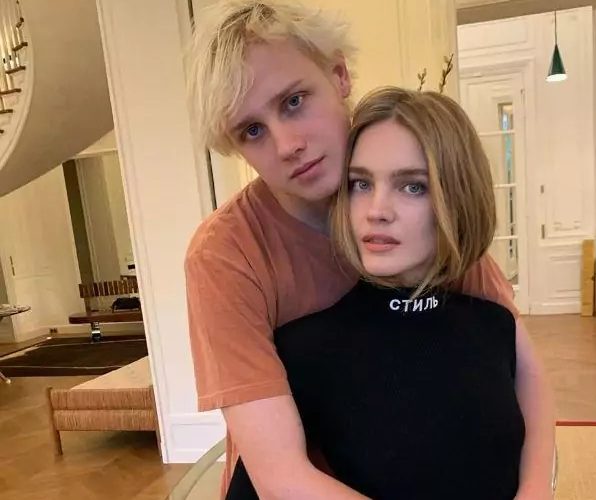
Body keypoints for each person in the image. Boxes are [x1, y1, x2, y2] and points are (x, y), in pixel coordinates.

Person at [184, 1, 555, 499]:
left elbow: (519, 362)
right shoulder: (225, 256)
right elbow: (280, 476)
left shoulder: (420, 219)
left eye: (294, 101)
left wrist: (536, 487)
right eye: (252, 131)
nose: (287, 145)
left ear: (338, 75)